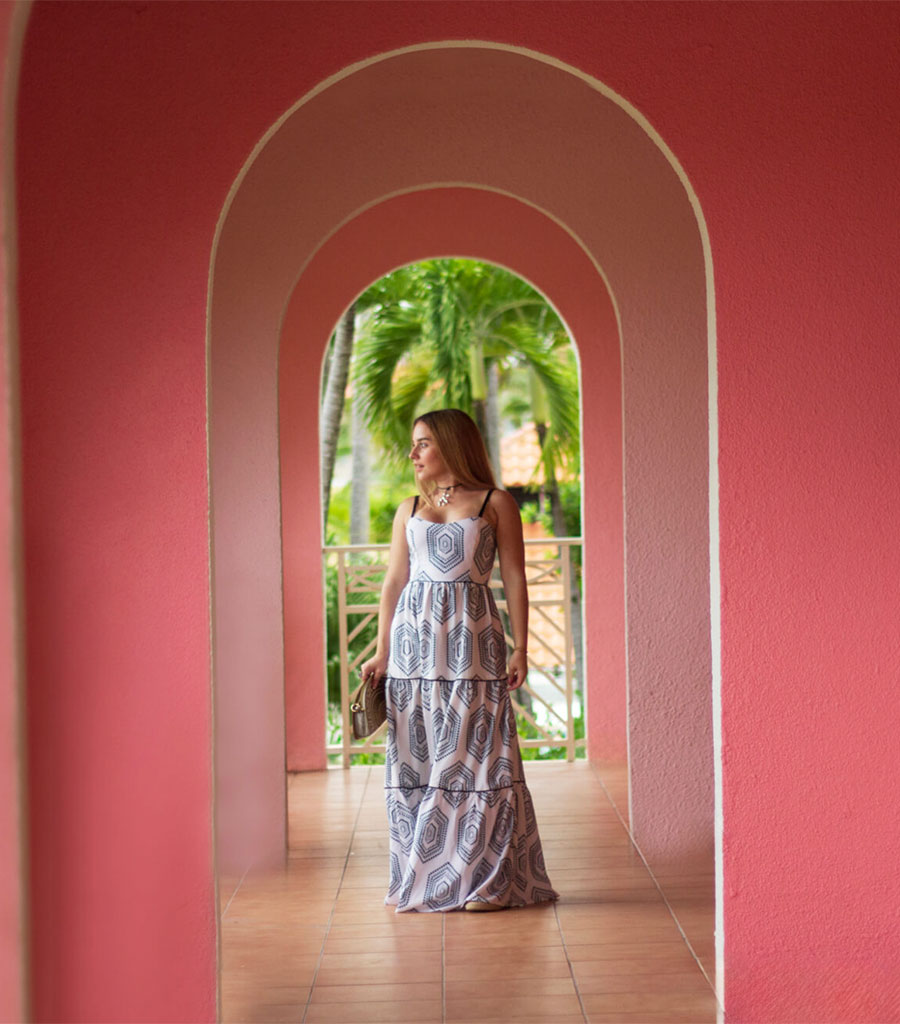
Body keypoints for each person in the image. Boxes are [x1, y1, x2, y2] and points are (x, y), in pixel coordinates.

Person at [360, 408, 558, 913]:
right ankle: (427, 875)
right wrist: (382, 652)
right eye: (414, 443)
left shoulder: (496, 503)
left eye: (423, 442)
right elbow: (394, 582)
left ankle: (488, 880)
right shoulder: (409, 508)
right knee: (419, 759)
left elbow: (514, 575)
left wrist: (521, 646)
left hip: (473, 645)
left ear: (451, 444)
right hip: (413, 651)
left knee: (480, 759)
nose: (413, 453)